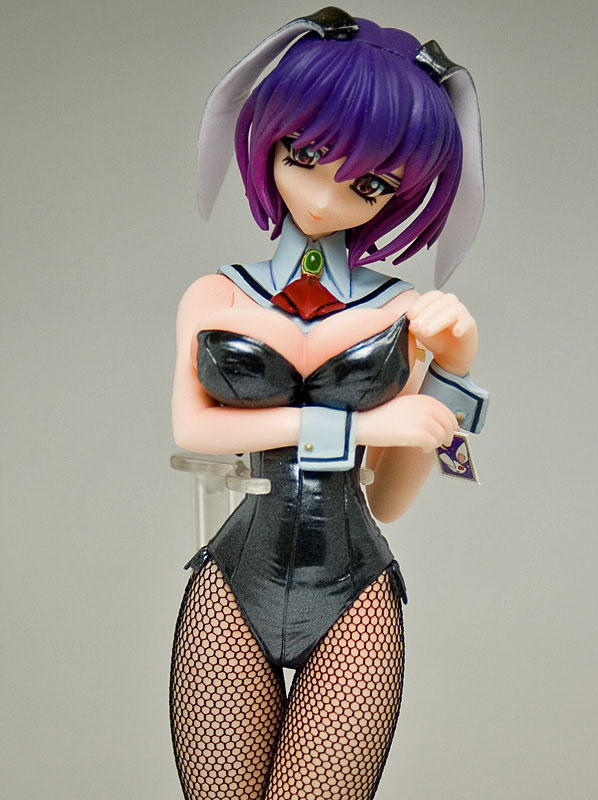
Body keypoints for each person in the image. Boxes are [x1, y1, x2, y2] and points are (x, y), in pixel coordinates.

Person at [169, 8, 488, 800]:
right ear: (269, 139)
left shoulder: (402, 314)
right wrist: (364, 423)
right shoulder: (215, 296)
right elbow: (193, 427)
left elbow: (389, 501)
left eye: (370, 183)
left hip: (355, 595)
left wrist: (453, 372)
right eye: (306, 154)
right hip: (232, 583)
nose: (323, 195)